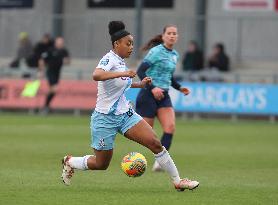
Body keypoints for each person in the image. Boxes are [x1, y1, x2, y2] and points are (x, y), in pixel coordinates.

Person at [61, 21, 199, 192]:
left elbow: (121, 83)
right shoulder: (109, 59)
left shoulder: (120, 61)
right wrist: (124, 73)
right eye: (128, 43)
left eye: (132, 43)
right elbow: (96, 75)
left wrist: (139, 84)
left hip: (125, 114)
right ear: (116, 44)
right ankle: (70, 161)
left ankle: (178, 181)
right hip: (105, 118)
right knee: (101, 163)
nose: (131, 47)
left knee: (155, 143)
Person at [135, 25, 192, 172]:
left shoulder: (175, 55)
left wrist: (179, 88)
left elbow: (169, 77)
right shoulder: (156, 52)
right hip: (148, 94)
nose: (172, 36)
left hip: (164, 96)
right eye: (169, 33)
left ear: (177, 37)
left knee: (170, 127)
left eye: (175, 33)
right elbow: (140, 71)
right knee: (147, 136)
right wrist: (153, 88)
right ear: (163, 36)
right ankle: (133, 158)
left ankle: (160, 162)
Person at [39, 37, 70, 113]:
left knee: (53, 90)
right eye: (59, 42)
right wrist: (41, 71)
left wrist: (66, 61)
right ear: (56, 43)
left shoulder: (64, 51)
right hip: (50, 72)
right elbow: (42, 60)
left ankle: (46, 106)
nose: (60, 44)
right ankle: (46, 106)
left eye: (62, 43)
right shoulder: (50, 50)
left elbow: (68, 61)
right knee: (54, 89)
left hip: (57, 73)